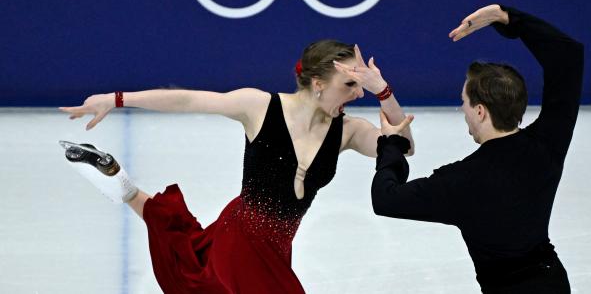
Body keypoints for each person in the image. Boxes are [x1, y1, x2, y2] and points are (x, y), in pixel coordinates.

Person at [59, 40, 414, 294]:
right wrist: (117, 100)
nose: (359, 93)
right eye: (350, 84)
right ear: (318, 84)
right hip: (242, 239)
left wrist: (384, 91)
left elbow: (403, 146)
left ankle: (122, 186)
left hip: (275, 246)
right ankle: (125, 189)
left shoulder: (348, 131)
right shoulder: (259, 106)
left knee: (195, 269)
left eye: (362, 85)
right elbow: (188, 100)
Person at [371, 4, 583, 293]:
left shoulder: (459, 181)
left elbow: (385, 198)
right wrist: (505, 17)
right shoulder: (547, 143)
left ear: (481, 111)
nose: (462, 109)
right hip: (553, 283)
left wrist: (392, 144)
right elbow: (568, 56)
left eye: (465, 102)